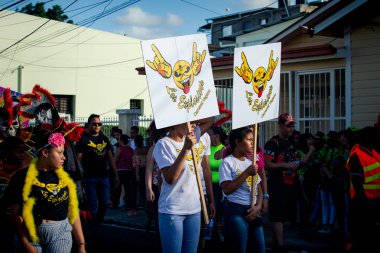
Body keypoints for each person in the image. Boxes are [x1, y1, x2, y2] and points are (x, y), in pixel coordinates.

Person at [7, 130, 86, 253]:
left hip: (60, 233)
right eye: (59, 153)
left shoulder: (65, 177)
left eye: (63, 153)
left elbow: (73, 210)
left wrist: (81, 244)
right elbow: (14, 214)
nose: (64, 157)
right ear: (45, 152)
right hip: (31, 235)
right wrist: (25, 243)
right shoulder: (21, 177)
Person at [153, 117, 213, 253]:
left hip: (194, 210)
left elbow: (211, 119)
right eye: (190, 121)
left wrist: (191, 108)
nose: (195, 124)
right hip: (173, 211)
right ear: (175, 122)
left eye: (195, 121)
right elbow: (170, 178)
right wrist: (186, 149)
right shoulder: (163, 144)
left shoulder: (194, 137)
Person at [219, 127, 264, 253]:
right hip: (235, 210)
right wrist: (246, 173)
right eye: (249, 140)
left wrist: (258, 206)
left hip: (253, 210)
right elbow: (227, 189)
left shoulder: (250, 162)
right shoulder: (227, 162)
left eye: (253, 140)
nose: (252, 143)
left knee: (259, 248)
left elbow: (258, 189)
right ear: (238, 142)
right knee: (239, 248)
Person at [264, 113, 301, 253]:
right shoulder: (273, 143)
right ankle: (280, 247)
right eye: (288, 126)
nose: (291, 129)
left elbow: (295, 161)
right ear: (280, 125)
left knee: (284, 218)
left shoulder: (291, 143)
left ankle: (277, 245)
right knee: (277, 216)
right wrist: (286, 165)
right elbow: (266, 165)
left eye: (292, 126)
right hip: (277, 184)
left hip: (290, 184)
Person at [76, 114, 119, 228]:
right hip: (89, 177)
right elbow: (79, 158)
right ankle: (92, 229)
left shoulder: (104, 138)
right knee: (92, 206)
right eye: (94, 124)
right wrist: (80, 175)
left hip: (103, 177)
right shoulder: (83, 139)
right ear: (89, 125)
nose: (97, 126)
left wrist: (116, 174)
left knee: (105, 204)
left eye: (99, 124)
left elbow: (110, 157)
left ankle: (96, 224)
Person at [346, 125, 380, 252]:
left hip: (374, 200)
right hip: (363, 201)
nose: (377, 139)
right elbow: (356, 182)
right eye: (375, 137)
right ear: (367, 138)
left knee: (370, 235)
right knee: (362, 235)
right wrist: (363, 202)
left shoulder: (373, 152)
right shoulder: (357, 155)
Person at [0, 136, 29, 253]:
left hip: (22, 222)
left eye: (24, 152)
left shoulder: (26, 172)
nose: (23, 155)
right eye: (19, 152)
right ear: (7, 152)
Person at [112, 134, 134, 210]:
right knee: (128, 188)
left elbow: (115, 160)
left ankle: (115, 204)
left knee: (117, 188)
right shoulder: (131, 149)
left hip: (120, 171)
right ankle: (128, 204)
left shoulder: (119, 149)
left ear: (121, 141)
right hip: (129, 170)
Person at [134, 134, 147, 209]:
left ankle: (142, 203)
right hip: (146, 169)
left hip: (141, 171)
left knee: (141, 188)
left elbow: (137, 164)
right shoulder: (146, 149)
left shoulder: (136, 150)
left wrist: (137, 175)